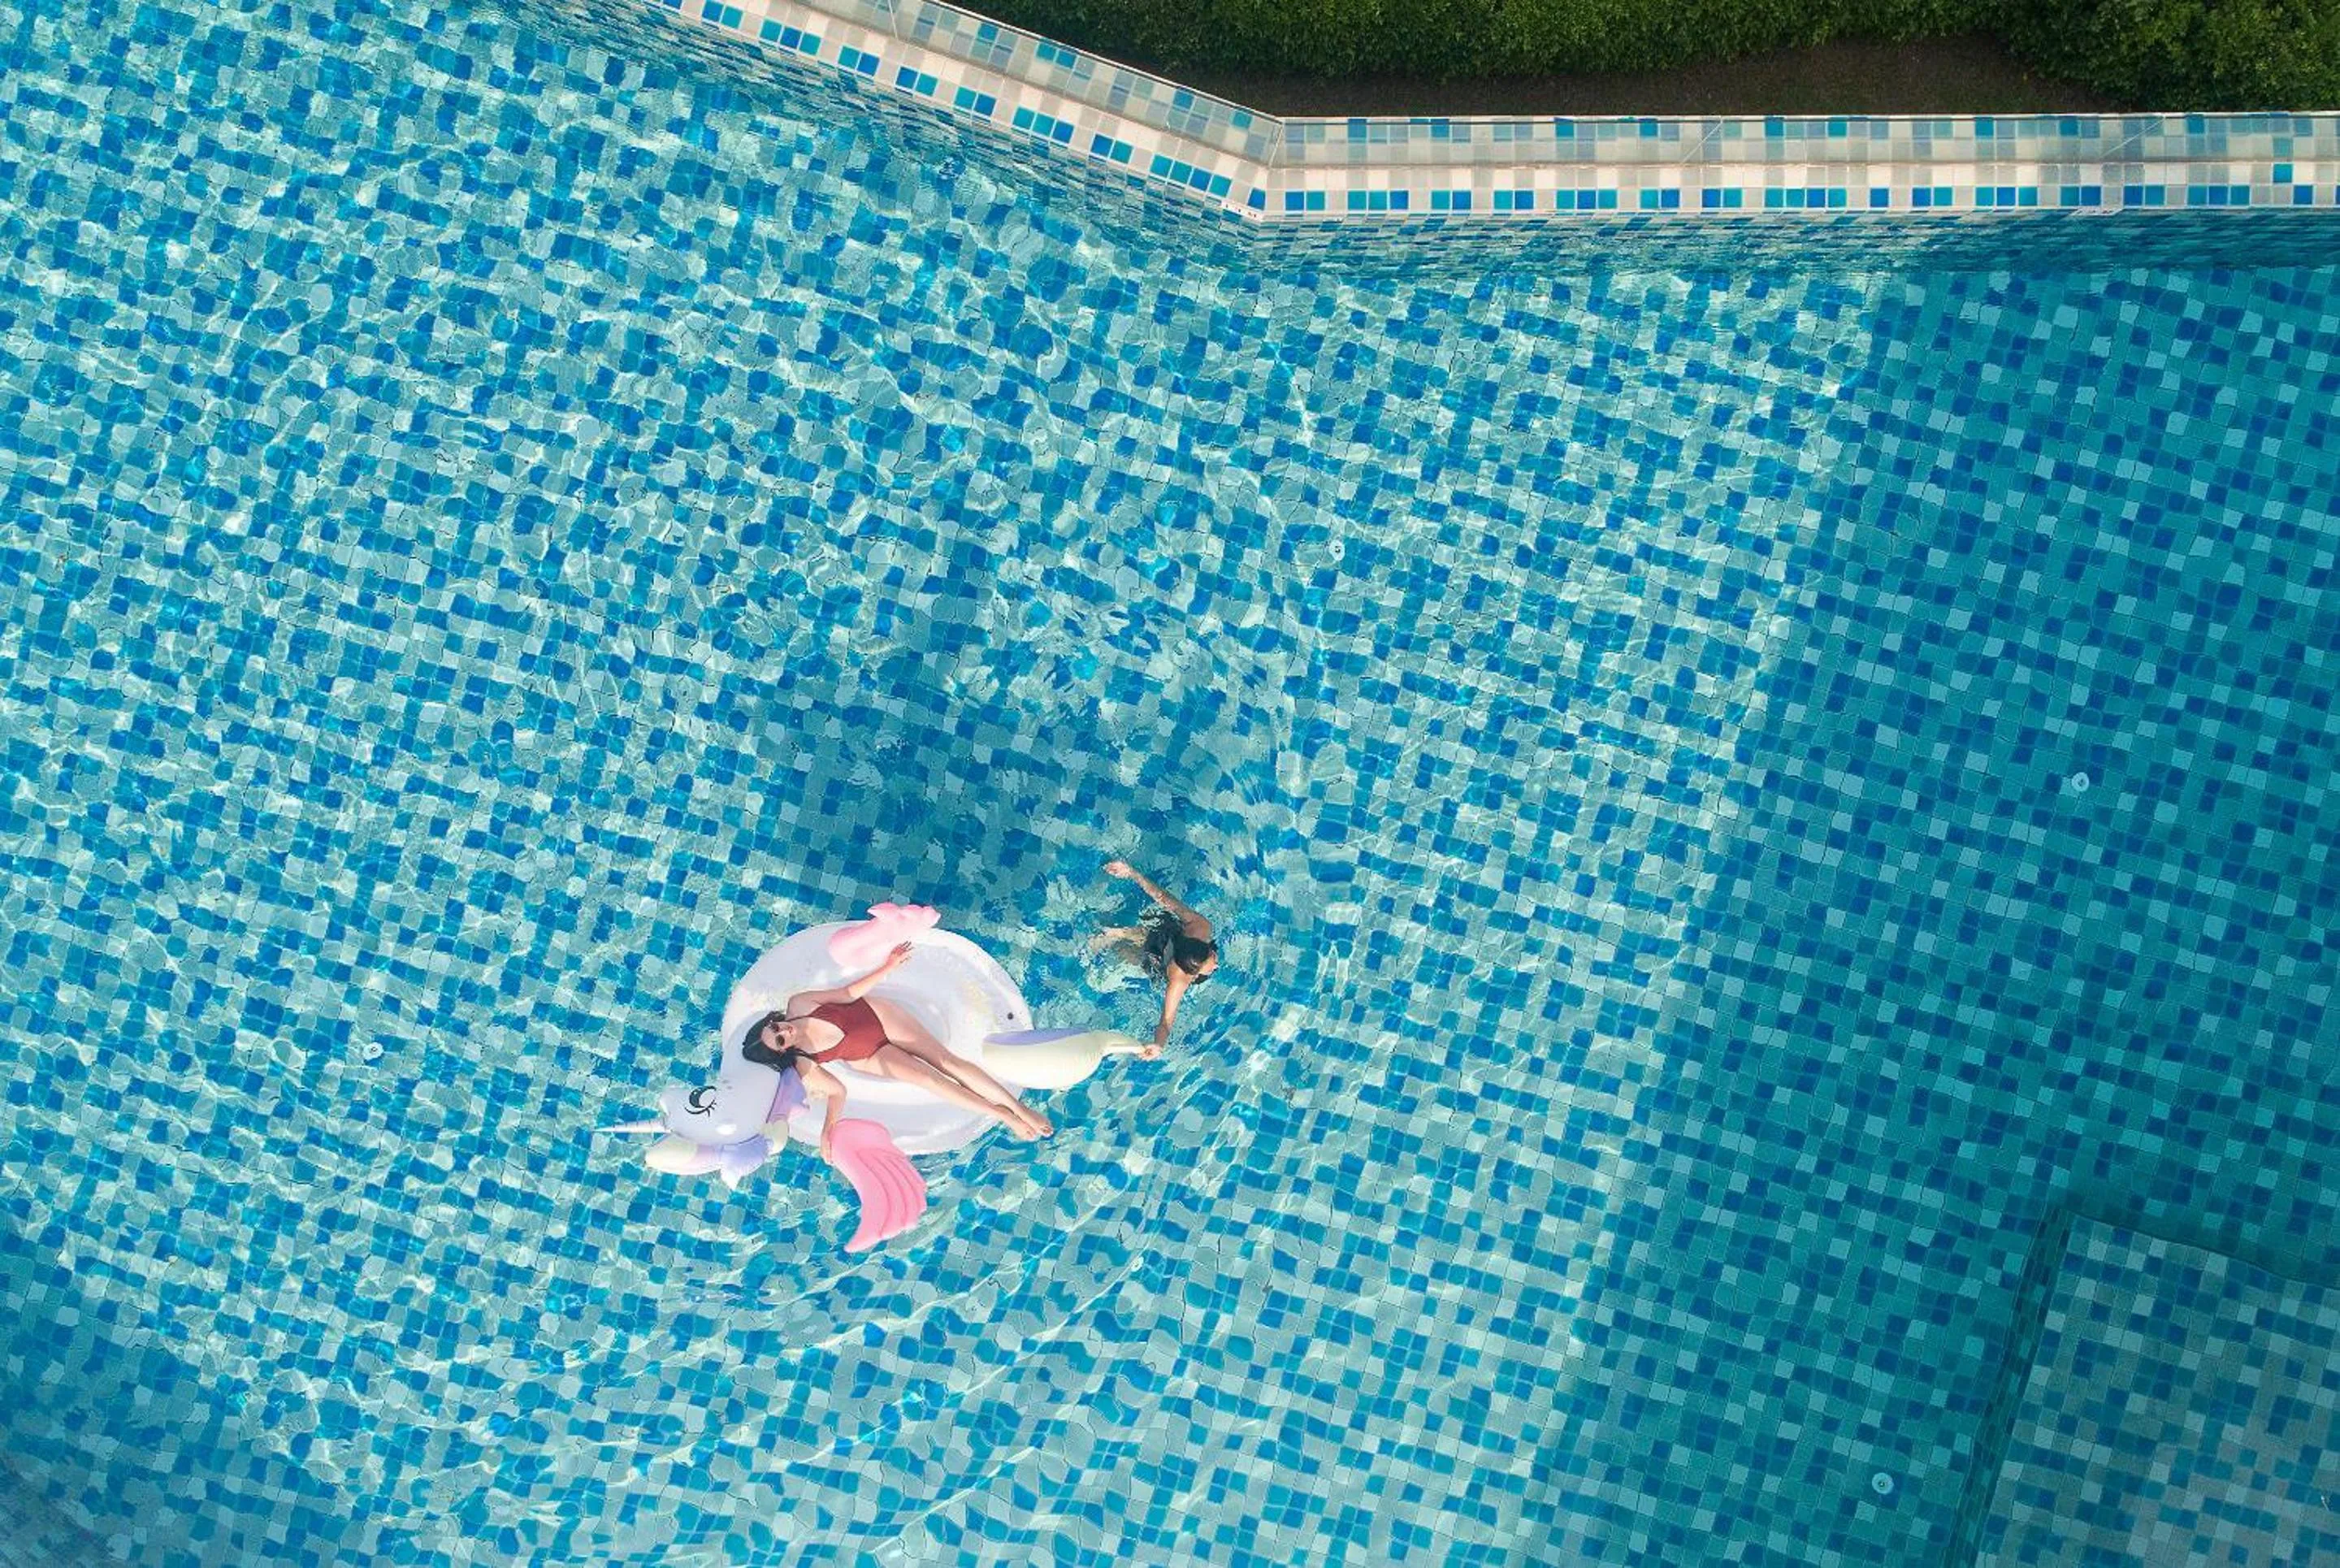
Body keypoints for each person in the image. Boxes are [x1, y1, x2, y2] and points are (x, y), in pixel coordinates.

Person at [740, 941, 1053, 1145]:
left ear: (773, 1020)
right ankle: (1004, 1116)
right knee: (929, 1080)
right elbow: (838, 1091)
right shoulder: (803, 1062)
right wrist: (827, 1130)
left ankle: (1018, 1108)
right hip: (866, 1053)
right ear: (783, 1051)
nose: (785, 1031)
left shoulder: (800, 1005)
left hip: (876, 1015)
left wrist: (887, 967)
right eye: (781, 1039)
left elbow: (847, 994)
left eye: (777, 1026)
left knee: (945, 1063)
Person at [1100, 859, 1217, 1055]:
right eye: (1211, 963)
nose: (1216, 963)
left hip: (1166, 940)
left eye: (1212, 954)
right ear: (1193, 973)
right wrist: (1159, 1045)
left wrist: (1132, 872)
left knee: (1144, 939)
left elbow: (1163, 897)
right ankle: (1109, 936)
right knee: (1137, 949)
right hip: (1159, 955)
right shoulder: (1179, 981)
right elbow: (1165, 1022)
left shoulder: (1201, 927)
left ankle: (1114, 934)